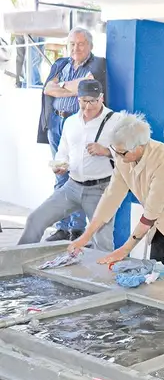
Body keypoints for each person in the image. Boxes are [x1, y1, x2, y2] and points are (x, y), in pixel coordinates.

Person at [68, 113, 164, 266]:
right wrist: (85, 237)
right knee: (158, 275)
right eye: (115, 151)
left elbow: (151, 212)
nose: (117, 156)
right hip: (160, 226)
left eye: (122, 152)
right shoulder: (123, 159)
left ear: (139, 147)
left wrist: (125, 249)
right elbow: (110, 197)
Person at [19, 80, 120, 251]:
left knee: (102, 242)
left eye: (92, 101)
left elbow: (132, 153)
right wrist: (60, 165)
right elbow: (63, 151)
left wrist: (107, 151)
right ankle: (15, 263)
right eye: (83, 101)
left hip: (100, 189)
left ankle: (101, 276)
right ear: (77, 99)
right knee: (35, 220)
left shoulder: (116, 121)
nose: (87, 107)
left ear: (101, 98)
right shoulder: (71, 122)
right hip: (71, 187)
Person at [36, 27, 107, 242]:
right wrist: (70, 88)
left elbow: (86, 88)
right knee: (59, 173)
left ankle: (76, 229)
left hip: (77, 124)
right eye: (72, 44)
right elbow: (48, 88)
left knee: (76, 175)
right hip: (56, 121)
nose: (76, 48)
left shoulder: (96, 63)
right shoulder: (61, 64)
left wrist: (64, 87)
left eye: (81, 43)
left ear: (90, 46)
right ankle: (62, 226)